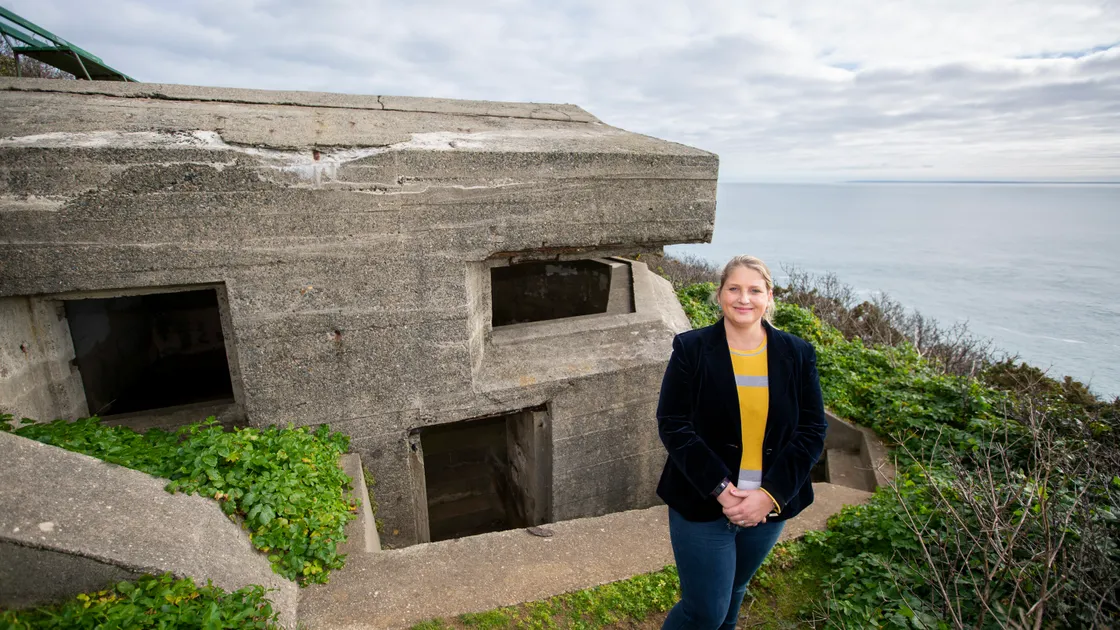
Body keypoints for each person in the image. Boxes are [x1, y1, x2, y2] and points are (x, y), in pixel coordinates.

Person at [657, 255, 827, 630]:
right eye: (734, 288)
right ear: (720, 295)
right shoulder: (691, 349)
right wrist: (720, 488)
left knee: (735, 589)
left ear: (769, 297)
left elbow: (812, 430)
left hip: (768, 509)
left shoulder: (798, 354)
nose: (743, 298)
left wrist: (770, 495)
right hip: (703, 502)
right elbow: (673, 424)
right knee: (704, 613)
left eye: (754, 290)